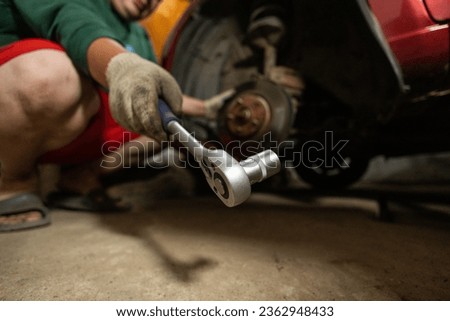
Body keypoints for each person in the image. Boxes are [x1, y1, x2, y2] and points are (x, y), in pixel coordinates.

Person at [0, 0, 217, 232]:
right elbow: (73, 21)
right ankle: (13, 180)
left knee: (162, 125)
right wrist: (120, 65)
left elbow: (154, 94)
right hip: (15, 105)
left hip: (74, 124)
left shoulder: (139, 35)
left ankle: (79, 177)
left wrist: (211, 107)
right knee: (47, 77)